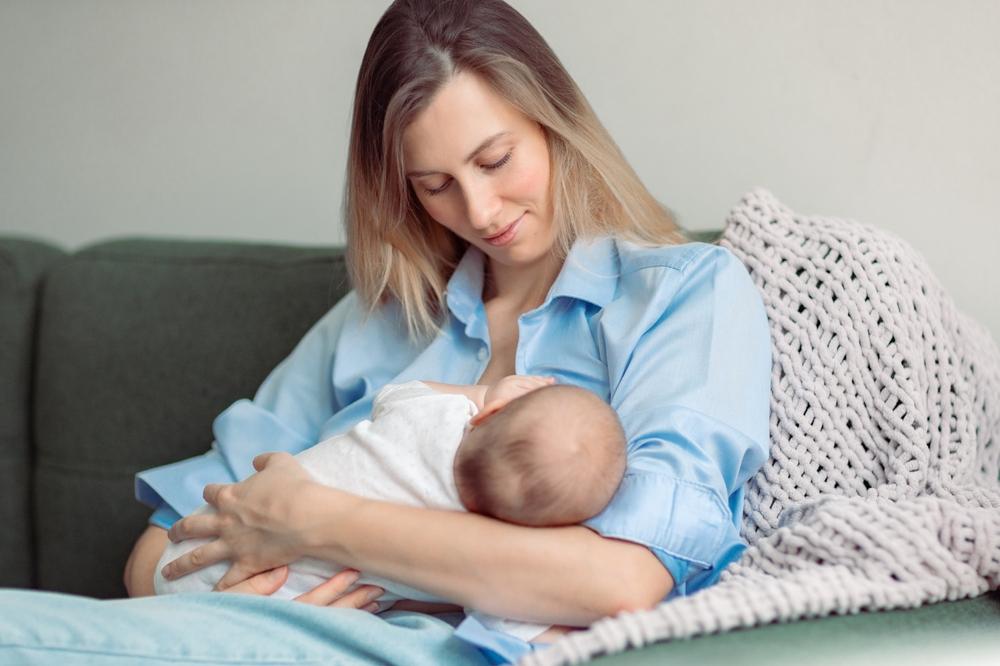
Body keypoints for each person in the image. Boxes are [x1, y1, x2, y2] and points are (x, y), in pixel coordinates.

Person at [0, 0, 771, 664]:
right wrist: (240, 600)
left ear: (554, 122)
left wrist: (317, 525)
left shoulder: (680, 295)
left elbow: (624, 579)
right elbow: (163, 540)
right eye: (435, 186)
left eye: (496, 159)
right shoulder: (382, 320)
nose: (480, 211)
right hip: (263, 627)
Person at [155, 375, 628, 644]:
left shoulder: (433, 415)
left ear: (485, 418)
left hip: (188, 564)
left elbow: (397, 393)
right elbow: (529, 626)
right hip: (252, 610)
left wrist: (484, 394)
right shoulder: (465, 549)